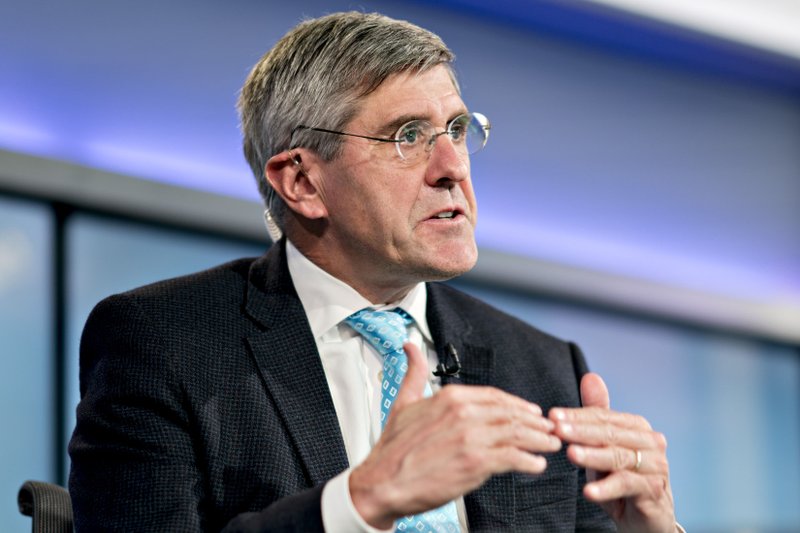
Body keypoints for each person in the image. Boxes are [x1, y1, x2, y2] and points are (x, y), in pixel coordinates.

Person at [69, 11, 679, 532]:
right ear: (303, 181)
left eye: (458, 130)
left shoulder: (543, 368)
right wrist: (363, 502)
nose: (452, 167)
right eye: (407, 136)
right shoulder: (162, 342)